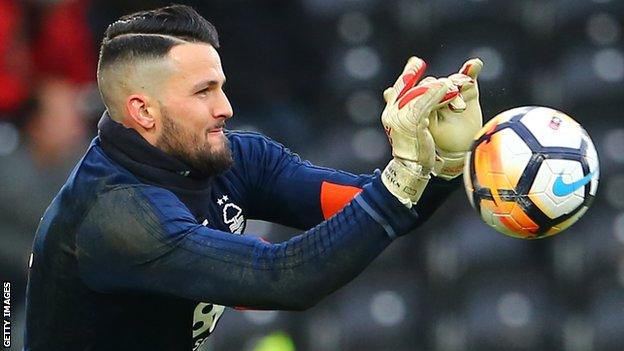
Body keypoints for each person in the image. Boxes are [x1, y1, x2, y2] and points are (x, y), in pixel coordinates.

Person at [24, 4, 483, 351]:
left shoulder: (232, 158)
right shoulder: (118, 215)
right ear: (143, 111)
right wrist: (403, 176)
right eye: (204, 92)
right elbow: (283, 279)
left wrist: (441, 161)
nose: (226, 107)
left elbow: (377, 207)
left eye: (221, 86)